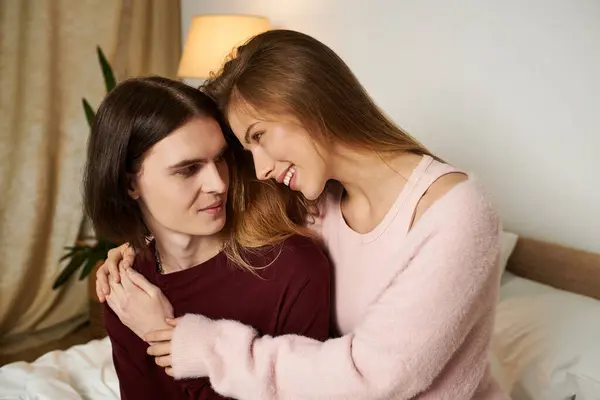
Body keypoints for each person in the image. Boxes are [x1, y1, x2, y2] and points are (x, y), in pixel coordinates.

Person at [97, 30, 509, 399]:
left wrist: (193, 343)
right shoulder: (313, 199)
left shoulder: (456, 212)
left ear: (307, 102)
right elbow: (197, 212)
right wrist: (134, 247)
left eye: (258, 136)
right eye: (247, 150)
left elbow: (376, 377)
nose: (259, 169)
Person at [84, 76, 331, 400]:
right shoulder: (127, 289)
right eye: (188, 169)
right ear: (130, 184)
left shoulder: (292, 268)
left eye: (220, 158)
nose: (218, 183)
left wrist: (162, 332)